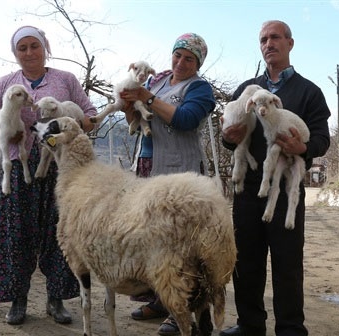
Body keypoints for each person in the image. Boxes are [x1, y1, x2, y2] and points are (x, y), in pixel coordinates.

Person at [0, 25, 97, 326]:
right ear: (15, 53)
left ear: (45, 47)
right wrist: (0, 131)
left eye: (34, 46)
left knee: (60, 234)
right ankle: (18, 300)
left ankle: (56, 300)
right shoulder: (6, 83)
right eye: (22, 48)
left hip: (61, 170)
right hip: (16, 169)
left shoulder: (65, 80)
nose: (29, 52)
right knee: (16, 236)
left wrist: (70, 129)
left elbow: (90, 115)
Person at [219, 20, 331, 336]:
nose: (269, 43)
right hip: (248, 190)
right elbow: (229, 135)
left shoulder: (309, 92)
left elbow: (322, 136)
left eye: (276, 38)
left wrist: (304, 147)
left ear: (290, 43)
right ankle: (249, 324)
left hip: (285, 188)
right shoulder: (246, 91)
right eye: (264, 39)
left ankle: (291, 328)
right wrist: (228, 136)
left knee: (287, 263)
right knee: (246, 261)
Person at [118, 32, 217, 336]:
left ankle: (184, 309)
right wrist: (127, 106)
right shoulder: (157, 80)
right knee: (155, 241)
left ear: (198, 62)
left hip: (180, 175)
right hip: (148, 168)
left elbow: (185, 120)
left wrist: (146, 98)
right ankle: (163, 300)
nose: (181, 62)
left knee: (182, 243)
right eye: (178, 55)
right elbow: (134, 120)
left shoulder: (200, 88)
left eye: (189, 58)